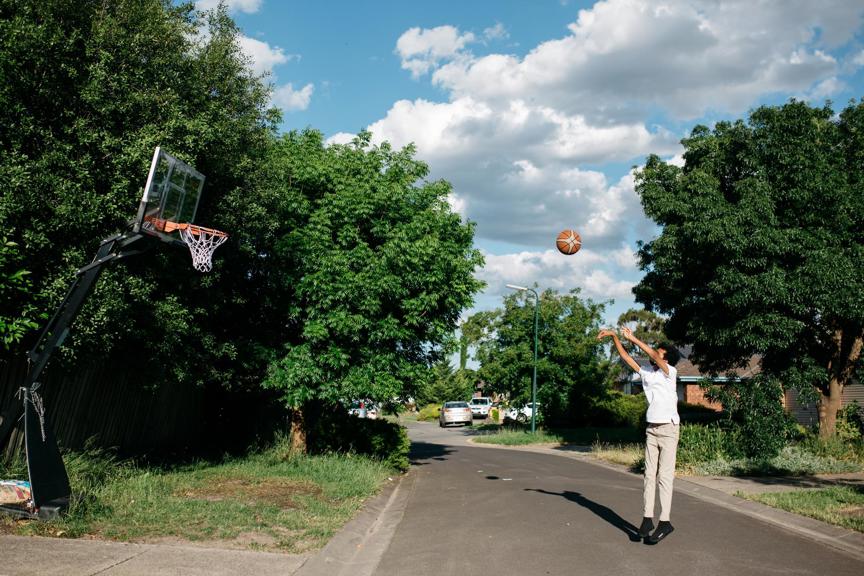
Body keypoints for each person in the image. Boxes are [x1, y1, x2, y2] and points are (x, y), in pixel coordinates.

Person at [597, 326, 681, 544]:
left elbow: (652, 354)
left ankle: (665, 521)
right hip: (652, 428)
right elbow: (626, 358)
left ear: (666, 358)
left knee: (664, 477)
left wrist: (633, 338)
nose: (656, 353)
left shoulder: (669, 373)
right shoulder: (648, 374)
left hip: (669, 429)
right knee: (648, 475)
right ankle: (647, 519)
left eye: (660, 351)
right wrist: (615, 337)